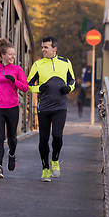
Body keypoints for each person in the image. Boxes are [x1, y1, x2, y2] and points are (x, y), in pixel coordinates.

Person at [27, 36, 75, 182]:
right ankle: (45, 169)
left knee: (58, 136)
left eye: (46, 47)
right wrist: (39, 88)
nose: (43, 50)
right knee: (43, 139)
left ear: (54, 49)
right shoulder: (38, 64)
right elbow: (29, 84)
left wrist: (68, 88)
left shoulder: (66, 63)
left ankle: (55, 159)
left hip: (60, 107)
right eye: (42, 47)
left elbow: (72, 80)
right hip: (44, 108)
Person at [0, 39, 28, 179]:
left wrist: (14, 81)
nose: (13, 57)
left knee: (12, 138)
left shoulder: (17, 69)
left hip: (12, 108)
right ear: (2, 55)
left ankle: (12, 154)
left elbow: (25, 87)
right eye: (10, 54)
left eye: (14, 54)